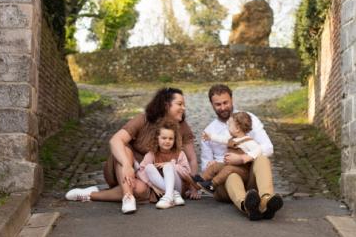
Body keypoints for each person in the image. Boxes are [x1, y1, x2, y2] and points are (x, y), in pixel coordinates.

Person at [65, 87, 198, 214]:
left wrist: (192, 186)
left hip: (152, 180)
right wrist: (127, 165)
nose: (183, 108)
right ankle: (127, 197)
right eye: (179, 104)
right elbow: (115, 140)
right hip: (126, 169)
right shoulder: (144, 119)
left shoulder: (182, 127)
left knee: (140, 190)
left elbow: (191, 159)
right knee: (125, 148)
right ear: (166, 105)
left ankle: (90, 194)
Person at [201, 84, 283, 221]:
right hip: (225, 184)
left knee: (262, 159)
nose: (222, 107)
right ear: (212, 104)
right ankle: (246, 205)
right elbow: (205, 168)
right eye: (218, 104)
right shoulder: (209, 131)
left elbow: (268, 147)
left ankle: (266, 200)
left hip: (248, 175)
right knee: (231, 175)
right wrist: (213, 164)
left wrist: (243, 158)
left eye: (225, 103)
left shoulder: (248, 119)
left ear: (232, 99)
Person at [194, 111, 262, 192]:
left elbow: (258, 150)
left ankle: (212, 184)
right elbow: (221, 139)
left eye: (229, 125)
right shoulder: (231, 139)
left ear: (237, 128)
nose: (227, 127)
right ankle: (202, 179)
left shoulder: (248, 141)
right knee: (215, 166)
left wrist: (245, 158)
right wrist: (210, 137)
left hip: (243, 171)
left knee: (228, 169)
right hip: (231, 166)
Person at [137, 119, 198, 209]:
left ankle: (169, 196)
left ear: (175, 140)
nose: (167, 141)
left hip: (179, 186)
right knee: (148, 167)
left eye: (170, 138)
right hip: (163, 189)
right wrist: (152, 186)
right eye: (164, 138)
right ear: (157, 138)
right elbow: (141, 170)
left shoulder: (179, 153)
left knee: (168, 166)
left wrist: (171, 165)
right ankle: (172, 193)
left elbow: (187, 173)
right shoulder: (152, 154)